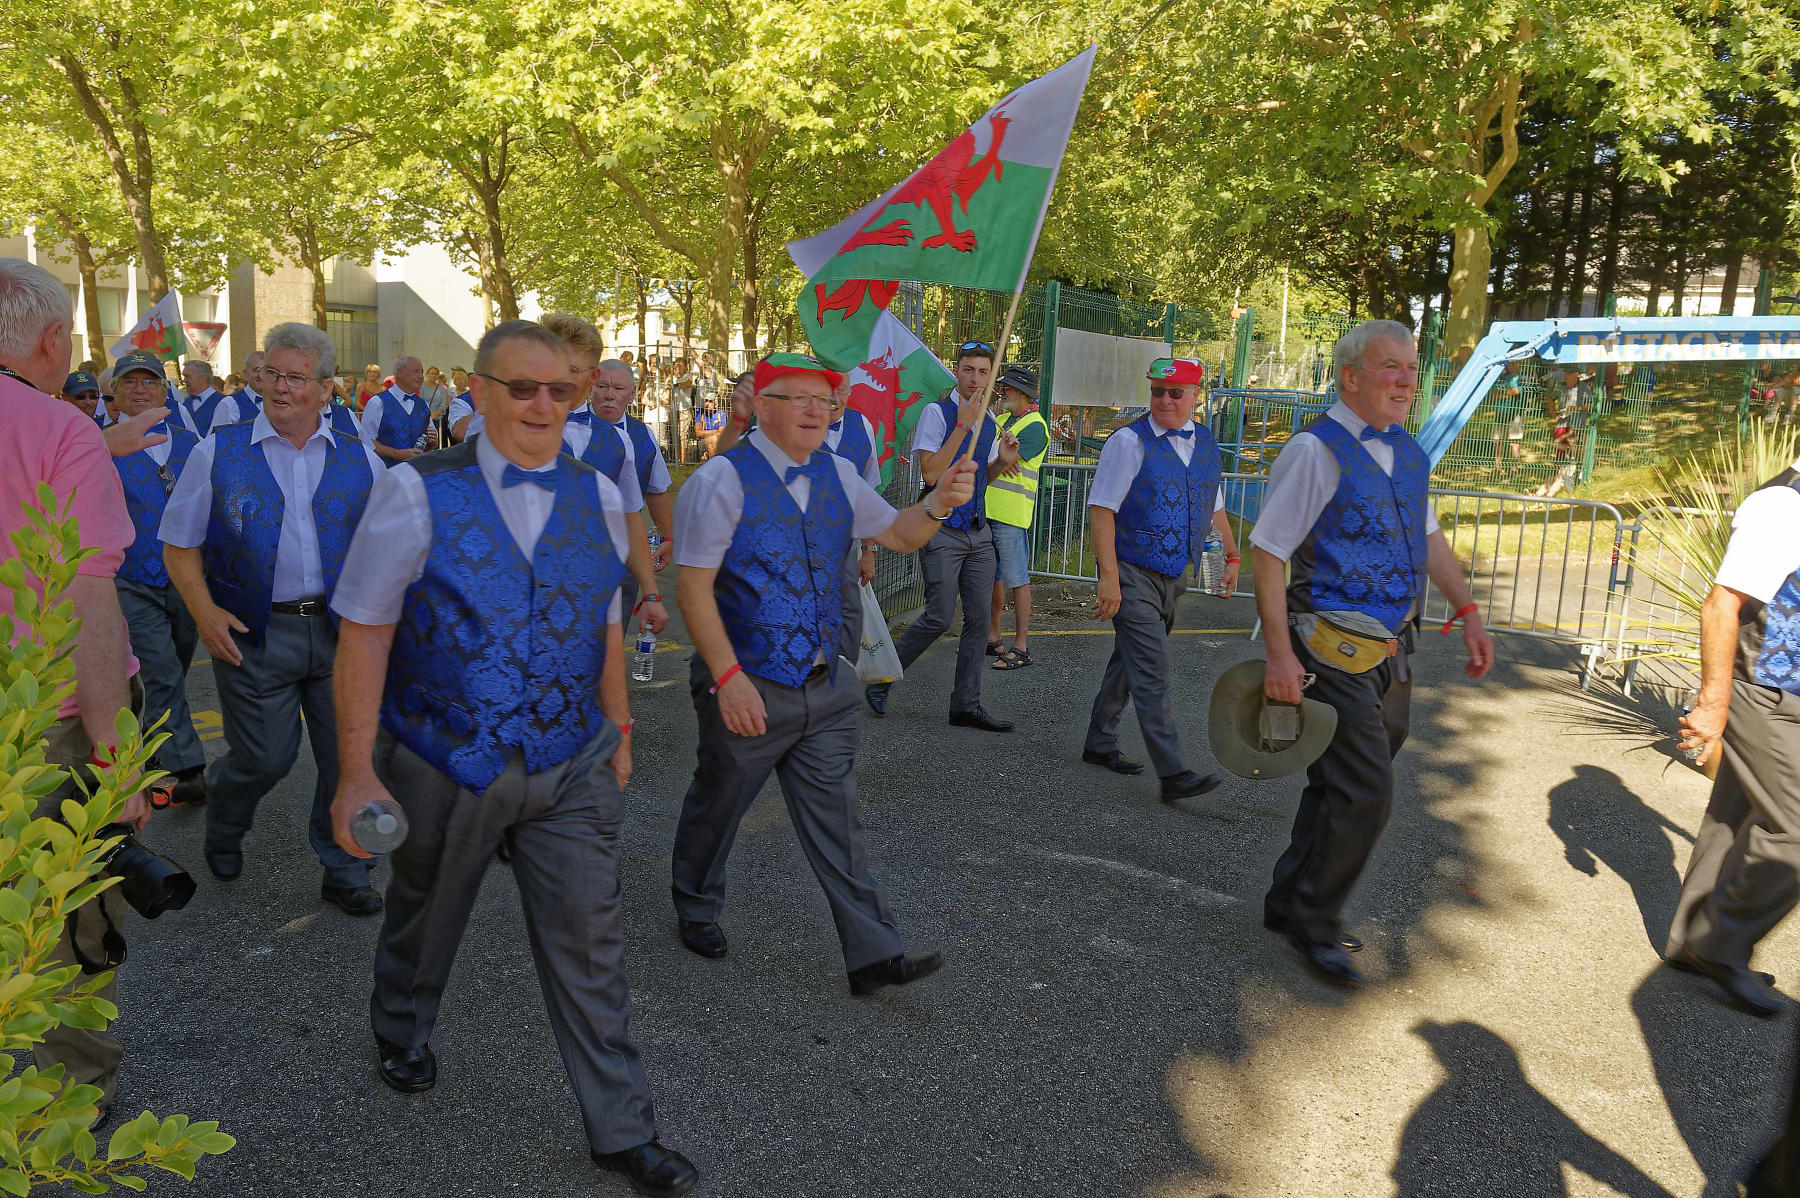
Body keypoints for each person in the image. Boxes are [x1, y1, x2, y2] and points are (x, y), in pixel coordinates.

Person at [325, 321, 697, 1196]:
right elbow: (366, 630)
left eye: (559, 391)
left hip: (570, 761)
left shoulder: (602, 495)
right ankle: (403, 1026)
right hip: (446, 754)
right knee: (426, 913)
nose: (542, 405)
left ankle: (621, 1128)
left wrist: (618, 732)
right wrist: (355, 772)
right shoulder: (414, 490)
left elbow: (603, 620)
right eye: (521, 388)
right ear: (479, 392)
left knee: (591, 941)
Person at [669, 352, 960, 996]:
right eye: (797, 398)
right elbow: (692, 588)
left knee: (837, 821)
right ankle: (694, 902)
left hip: (827, 686)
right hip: (749, 683)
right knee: (721, 802)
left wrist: (938, 503)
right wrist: (726, 677)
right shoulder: (722, 479)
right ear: (759, 406)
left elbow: (900, 535)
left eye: (824, 401)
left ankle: (874, 956)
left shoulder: (838, 473)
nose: (814, 410)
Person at [1251, 318, 1492, 987]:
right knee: (1368, 791)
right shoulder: (1314, 450)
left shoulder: (1409, 453)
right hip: (1326, 643)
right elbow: (1268, 554)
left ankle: (1287, 899)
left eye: (1412, 368)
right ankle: (1315, 923)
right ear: (1350, 375)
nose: (1406, 381)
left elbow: (1431, 540)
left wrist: (1468, 611)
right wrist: (1279, 656)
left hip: (1393, 647)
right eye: (1391, 367)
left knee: (1340, 781)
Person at [160, 323, 386, 915]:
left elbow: (392, 541)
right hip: (254, 632)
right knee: (265, 757)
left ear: (326, 388)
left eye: (294, 377)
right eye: (271, 374)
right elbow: (179, 545)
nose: (279, 387)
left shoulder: (359, 454)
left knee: (350, 757)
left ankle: (346, 866)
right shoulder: (218, 451)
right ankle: (225, 820)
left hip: (342, 633)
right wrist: (205, 613)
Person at [0, 257, 150, 1124]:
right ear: (53, 340)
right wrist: (115, 758)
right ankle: (67, 1100)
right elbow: (91, 598)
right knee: (69, 920)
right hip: (46, 724)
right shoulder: (61, 431)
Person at [1664, 449, 1800, 1017]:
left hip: (1788, 692)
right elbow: (1721, 606)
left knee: (1736, 812)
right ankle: (1720, 944)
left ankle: (1689, 942)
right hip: (1761, 693)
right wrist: (1714, 706)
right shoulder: (1781, 507)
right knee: (1796, 829)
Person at [1082, 358, 1234, 800]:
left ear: (1195, 395)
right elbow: (1102, 510)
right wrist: (1108, 577)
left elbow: (1214, 505)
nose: (1164, 400)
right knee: (1152, 668)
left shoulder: (1205, 442)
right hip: (1131, 571)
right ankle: (1173, 773)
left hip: (1174, 574)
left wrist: (1232, 552)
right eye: (1157, 392)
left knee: (1129, 662)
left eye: (1175, 393)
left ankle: (1099, 740)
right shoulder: (1128, 442)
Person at [864, 341, 1019, 730]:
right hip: (941, 529)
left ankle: (966, 704)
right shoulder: (937, 412)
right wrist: (963, 425)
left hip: (978, 530)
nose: (975, 379)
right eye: (968, 370)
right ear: (957, 371)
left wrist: (1001, 460)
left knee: (980, 620)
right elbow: (931, 474)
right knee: (938, 615)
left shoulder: (990, 418)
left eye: (983, 372)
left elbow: (980, 478)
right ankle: (882, 677)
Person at [109, 350, 208, 806]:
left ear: (165, 391)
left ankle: (148, 740)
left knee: (172, 667)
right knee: (163, 669)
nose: (140, 389)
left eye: (149, 381)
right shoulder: (100, 445)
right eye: (130, 382)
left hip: (185, 577)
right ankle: (187, 766)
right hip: (131, 577)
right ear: (115, 392)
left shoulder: (194, 445)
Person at [537, 315, 669, 638]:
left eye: (570, 369)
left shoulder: (620, 441)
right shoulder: (506, 429)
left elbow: (630, 517)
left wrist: (650, 593)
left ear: (590, 376)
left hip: (596, 586)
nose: (556, 377)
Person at [592, 358, 677, 605]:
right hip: (580, 547)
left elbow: (656, 490)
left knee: (619, 622)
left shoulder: (643, 435)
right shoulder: (569, 429)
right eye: (602, 387)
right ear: (590, 388)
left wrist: (667, 538)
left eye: (618, 389)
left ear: (632, 394)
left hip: (628, 548)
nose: (609, 395)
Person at [985, 365, 1048, 671]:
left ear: (1022, 393)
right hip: (989, 510)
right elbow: (997, 456)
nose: (1003, 392)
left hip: (1010, 515)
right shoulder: (1005, 420)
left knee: (1017, 579)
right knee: (995, 578)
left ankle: (1021, 647)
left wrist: (1001, 456)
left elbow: (1006, 459)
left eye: (1007, 388)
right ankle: (993, 635)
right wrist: (1001, 455)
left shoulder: (1036, 426)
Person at [360, 356, 436, 465]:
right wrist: (396, 453)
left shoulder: (423, 405)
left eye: (422, 372)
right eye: (416, 371)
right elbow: (365, 440)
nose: (421, 376)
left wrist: (432, 441)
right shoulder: (378, 402)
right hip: (386, 473)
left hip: (417, 473)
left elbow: (430, 439)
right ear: (399, 373)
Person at [231, 351, 266, 416]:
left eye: (265, 371)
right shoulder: (230, 404)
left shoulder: (279, 402)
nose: (261, 375)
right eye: (256, 370)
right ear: (245, 373)